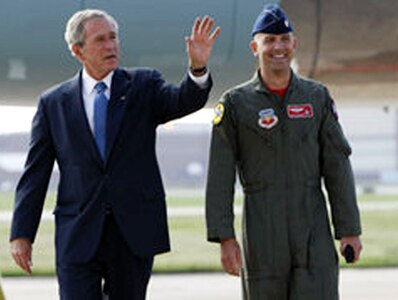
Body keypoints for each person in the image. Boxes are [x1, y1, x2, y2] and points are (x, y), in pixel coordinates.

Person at [10, 9, 220, 300]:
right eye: (100, 40)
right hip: (78, 232)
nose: (111, 46)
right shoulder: (53, 103)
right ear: (77, 50)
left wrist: (197, 68)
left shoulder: (143, 85)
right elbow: (36, 173)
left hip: (131, 233)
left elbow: (182, 100)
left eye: (113, 38)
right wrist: (22, 233)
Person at [205, 4, 362, 299]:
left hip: (312, 230)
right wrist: (225, 238)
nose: (278, 47)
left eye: (284, 39)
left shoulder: (316, 97)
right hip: (262, 232)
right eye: (269, 40)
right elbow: (220, 176)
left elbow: (337, 164)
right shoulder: (236, 104)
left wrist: (349, 229)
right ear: (255, 47)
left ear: (293, 44)